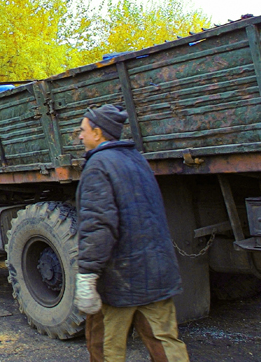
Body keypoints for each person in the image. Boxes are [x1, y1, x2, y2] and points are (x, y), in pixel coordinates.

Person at [75, 104, 189, 362]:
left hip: (119, 280)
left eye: (82, 131)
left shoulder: (98, 166)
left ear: (98, 133)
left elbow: (98, 226)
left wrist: (87, 275)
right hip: (156, 272)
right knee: (165, 343)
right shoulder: (136, 159)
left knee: (106, 349)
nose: (80, 136)